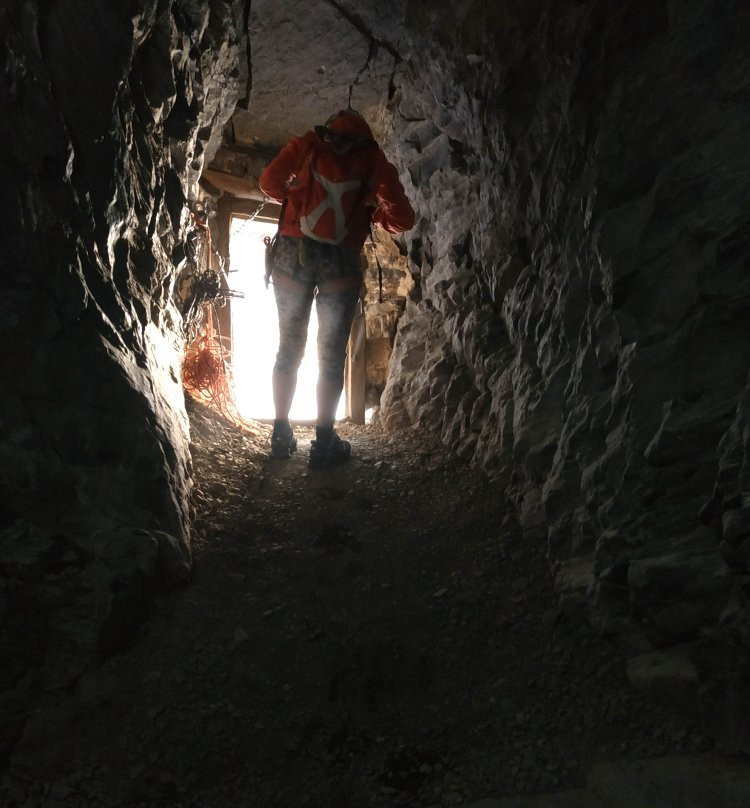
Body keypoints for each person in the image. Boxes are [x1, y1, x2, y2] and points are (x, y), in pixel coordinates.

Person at [259, 108, 415, 469]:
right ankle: (324, 441)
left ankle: (281, 433)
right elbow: (403, 218)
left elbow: (269, 183)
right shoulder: (372, 158)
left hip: (291, 257)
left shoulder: (309, 143)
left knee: (289, 346)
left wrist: (299, 201)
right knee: (331, 356)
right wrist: (372, 214)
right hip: (340, 263)